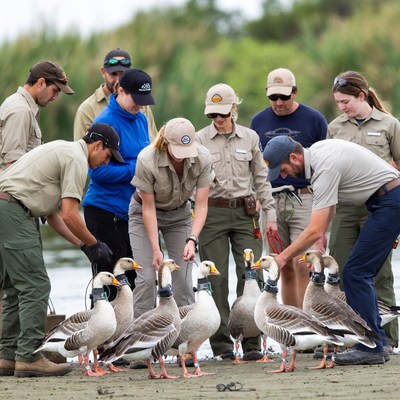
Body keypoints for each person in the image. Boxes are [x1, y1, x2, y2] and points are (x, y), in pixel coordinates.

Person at [263, 135, 400, 365]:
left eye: (283, 169)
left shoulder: (322, 167)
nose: (283, 175)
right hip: (384, 201)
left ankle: (372, 347)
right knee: (358, 271)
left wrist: (284, 257)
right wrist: (321, 239)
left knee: (356, 272)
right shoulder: (317, 154)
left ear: (295, 158)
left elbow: (314, 228)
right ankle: (375, 341)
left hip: (390, 201)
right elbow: (330, 208)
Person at [0, 123, 122, 377]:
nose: (105, 163)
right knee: (36, 286)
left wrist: (81, 245)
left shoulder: (64, 150)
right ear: (98, 145)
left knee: (14, 287)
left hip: (7, 207)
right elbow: (70, 215)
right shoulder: (77, 159)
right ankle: (29, 357)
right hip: (13, 211)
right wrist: (94, 243)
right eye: (108, 156)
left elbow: (55, 214)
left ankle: (8, 356)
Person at [196, 83, 277, 361]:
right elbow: (192, 183)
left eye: (222, 114)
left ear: (233, 109)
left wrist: (271, 215)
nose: (217, 120)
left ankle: (252, 342)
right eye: (212, 115)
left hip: (246, 213)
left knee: (251, 276)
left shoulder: (251, 138)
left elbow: (261, 179)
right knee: (216, 280)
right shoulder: (198, 140)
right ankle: (222, 347)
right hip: (212, 214)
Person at [328, 71, 400, 353]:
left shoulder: (389, 124)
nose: (342, 107)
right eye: (337, 102)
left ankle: (389, 339)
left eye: (345, 101)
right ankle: (355, 337)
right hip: (346, 210)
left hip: (380, 208)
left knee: (379, 273)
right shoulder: (335, 127)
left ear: (361, 96)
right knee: (343, 270)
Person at [250, 67, 327, 308]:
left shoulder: (314, 119)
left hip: (304, 197)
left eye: (284, 96)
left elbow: (324, 162)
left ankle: (311, 324)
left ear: (295, 92)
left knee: (304, 264)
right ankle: (293, 329)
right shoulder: (258, 121)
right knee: (281, 266)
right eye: (273, 97)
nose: (279, 102)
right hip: (271, 201)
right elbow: (256, 166)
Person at [129, 117, 214, 318]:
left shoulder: (203, 157)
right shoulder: (146, 159)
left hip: (180, 215)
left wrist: (192, 240)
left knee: (183, 280)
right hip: (144, 215)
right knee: (147, 278)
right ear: (166, 143)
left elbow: (201, 204)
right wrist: (157, 250)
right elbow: (148, 208)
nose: (182, 157)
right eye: (178, 152)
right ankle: (143, 339)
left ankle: (184, 342)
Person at [82, 68, 155, 302]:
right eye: (136, 100)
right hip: (105, 211)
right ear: (120, 91)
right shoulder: (105, 122)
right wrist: (137, 167)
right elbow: (97, 171)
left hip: (132, 212)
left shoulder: (141, 118)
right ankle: (102, 338)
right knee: (110, 286)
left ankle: (128, 338)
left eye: (145, 101)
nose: (141, 106)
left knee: (134, 283)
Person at [0, 60, 74, 172]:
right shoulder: (21, 111)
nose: (55, 97)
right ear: (41, 83)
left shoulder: (22, 106)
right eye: (55, 90)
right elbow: (13, 166)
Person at [73, 48, 158, 141]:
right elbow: (82, 151)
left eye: (122, 74)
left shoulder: (142, 106)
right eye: (113, 74)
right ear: (103, 72)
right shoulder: (87, 109)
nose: (118, 80)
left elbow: (153, 140)